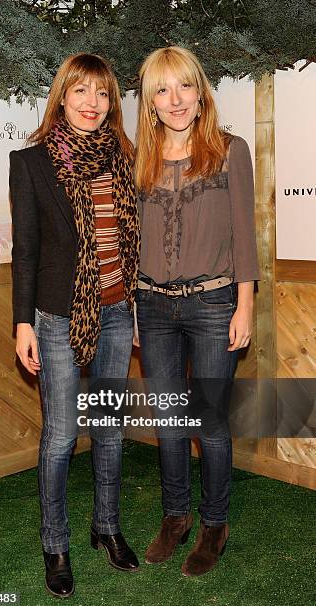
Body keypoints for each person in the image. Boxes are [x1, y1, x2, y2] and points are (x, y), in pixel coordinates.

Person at [9, 53, 140, 599]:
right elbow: (27, 252)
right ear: (62, 97)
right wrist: (22, 323)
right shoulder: (32, 162)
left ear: (112, 102)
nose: (91, 104)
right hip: (58, 317)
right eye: (81, 92)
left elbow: (130, 247)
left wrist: (130, 307)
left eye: (102, 94)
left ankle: (106, 528)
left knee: (109, 428)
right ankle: (55, 544)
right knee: (62, 436)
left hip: (114, 312)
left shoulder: (122, 158)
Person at [134, 46, 259, 577]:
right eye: (162, 90)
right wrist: (137, 308)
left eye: (184, 86)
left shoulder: (230, 150)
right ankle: (176, 516)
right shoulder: (137, 155)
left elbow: (245, 238)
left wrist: (245, 305)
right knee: (167, 422)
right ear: (150, 102)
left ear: (200, 89)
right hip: (153, 306)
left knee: (208, 423)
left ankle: (214, 525)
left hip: (214, 304)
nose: (175, 99)